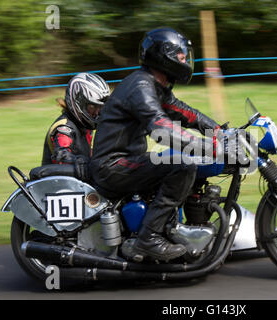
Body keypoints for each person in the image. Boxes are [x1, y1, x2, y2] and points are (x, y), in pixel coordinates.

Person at [90, 28, 225, 261]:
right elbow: (161, 128)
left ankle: (175, 226)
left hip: (126, 160)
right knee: (183, 164)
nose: (185, 60)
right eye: (181, 56)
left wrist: (220, 131)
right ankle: (148, 239)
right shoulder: (140, 87)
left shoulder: (155, 86)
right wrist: (205, 147)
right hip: (113, 166)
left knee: (180, 161)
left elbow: (185, 113)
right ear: (164, 56)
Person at [42, 73, 110, 181]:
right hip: (58, 187)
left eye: (100, 107)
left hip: (75, 183)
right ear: (78, 103)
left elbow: (85, 151)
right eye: (92, 107)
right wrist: (77, 160)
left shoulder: (84, 125)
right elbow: (61, 156)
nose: (97, 113)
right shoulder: (64, 128)